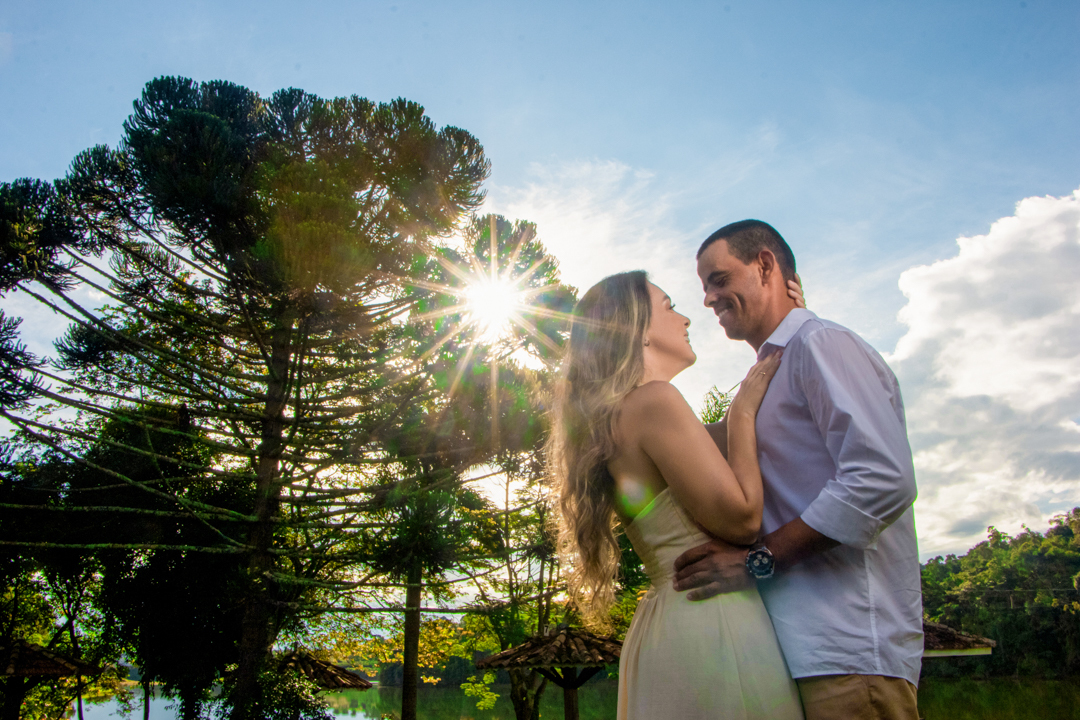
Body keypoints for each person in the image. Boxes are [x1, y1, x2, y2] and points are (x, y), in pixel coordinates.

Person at [673, 220, 923, 720]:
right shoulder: (772, 373)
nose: (707, 300)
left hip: (847, 654)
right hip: (791, 656)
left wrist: (756, 562)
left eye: (719, 279)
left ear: (765, 265)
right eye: (704, 287)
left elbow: (881, 478)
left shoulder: (821, 343)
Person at [548, 270, 806, 720]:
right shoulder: (654, 401)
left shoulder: (623, 416)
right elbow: (743, 519)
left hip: (670, 623)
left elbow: (748, 434)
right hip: (712, 621)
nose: (686, 317)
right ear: (636, 331)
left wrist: (793, 323)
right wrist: (742, 412)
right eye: (668, 306)